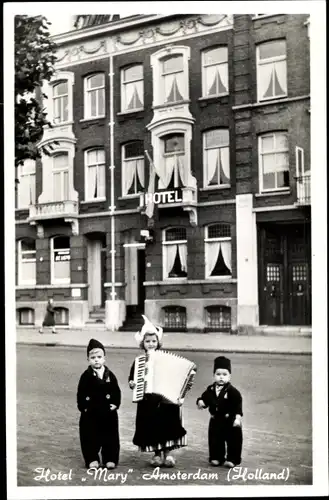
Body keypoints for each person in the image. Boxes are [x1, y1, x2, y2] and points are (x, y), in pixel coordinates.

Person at [128, 315, 187, 468]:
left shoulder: (166, 359)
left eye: (154, 341)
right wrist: (133, 383)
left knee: (167, 426)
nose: (151, 344)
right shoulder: (139, 361)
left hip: (166, 400)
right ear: (143, 343)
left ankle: (167, 454)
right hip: (148, 401)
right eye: (147, 341)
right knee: (152, 426)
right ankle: (156, 454)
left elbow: (176, 376)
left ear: (158, 343)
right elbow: (132, 376)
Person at [77, 338, 121, 469]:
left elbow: (116, 391)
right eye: (93, 357)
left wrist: (115, 403)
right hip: (91, 412)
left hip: (108, 412)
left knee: (111, 436)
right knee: (90, 436)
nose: (96, 360)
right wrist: (83, 407)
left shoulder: (110, 375)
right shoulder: (86, 376)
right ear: (88, 360)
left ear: (104, 358)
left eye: (99, 357)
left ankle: (110, 458)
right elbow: (80, 393)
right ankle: (92, 459)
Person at [196, 355, 243, 468]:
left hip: (230, 419)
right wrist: (201, 402)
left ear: (229, 376)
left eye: (224, 374)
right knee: (215, 439)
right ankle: (216, 457)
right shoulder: (210, 389)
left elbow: (238, 405)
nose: (221, 377)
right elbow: (205, 398)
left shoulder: (233, 391)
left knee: (233, 440)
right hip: (216, 419)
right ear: (213, 375)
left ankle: (233, 459)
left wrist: (237, 418)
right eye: (218, 374)